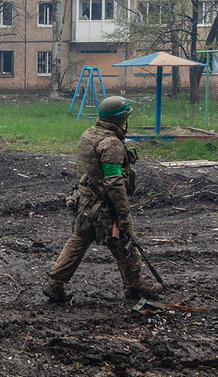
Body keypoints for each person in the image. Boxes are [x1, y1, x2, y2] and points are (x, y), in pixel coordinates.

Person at [44, 95, 164, 302]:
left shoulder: (90, 134)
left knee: (78, 242)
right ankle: (136, 286)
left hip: (85, 202)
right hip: (104, 206)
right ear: (121, 119)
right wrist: (123, 214)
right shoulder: (111, 143)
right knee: (124, 242)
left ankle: (55, 285)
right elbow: (114, 182)